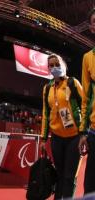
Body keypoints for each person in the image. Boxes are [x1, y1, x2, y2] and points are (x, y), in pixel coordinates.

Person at [40, 54, 83, 199]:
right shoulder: (47, 88)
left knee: (70, 176)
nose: (54, 68)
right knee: (59, 174)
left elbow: (85, 105)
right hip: (56, 138)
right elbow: (46, 113)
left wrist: (84, 132)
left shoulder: (73, 83)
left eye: (57, 64)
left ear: (63, 65)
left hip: (74, 137)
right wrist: (43, 137)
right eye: (51, 65)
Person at [78, 7, 95, 195]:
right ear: (91, 28)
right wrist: (83, 131)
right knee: (91, 183)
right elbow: (86, 97)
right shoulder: (87, 58)